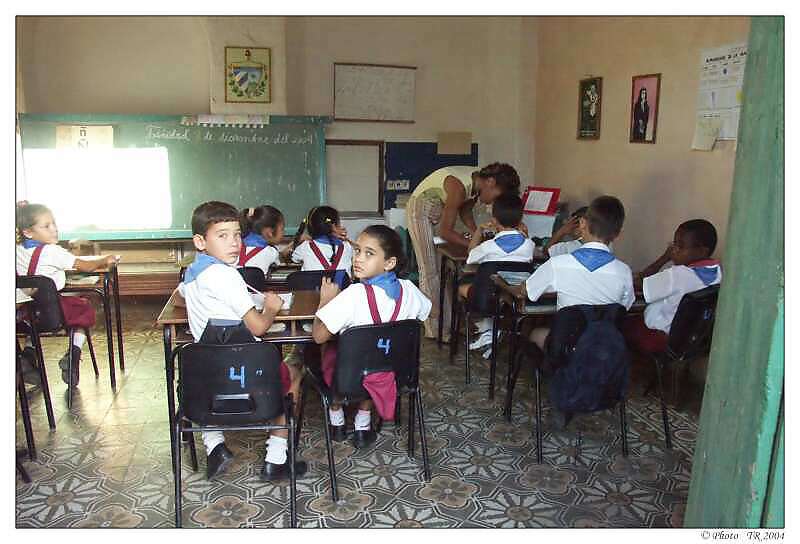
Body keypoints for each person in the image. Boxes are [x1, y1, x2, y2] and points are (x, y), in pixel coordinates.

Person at [174, 201, 307, 481]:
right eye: (222, 236)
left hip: (207, 378)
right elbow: (258, 327)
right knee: (293, 373)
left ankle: (215, 446)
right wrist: (270, 307)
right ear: (200, 241)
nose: (234, 242)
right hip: (248, 377)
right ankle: (276, 460)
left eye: (236, 234)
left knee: (200, 384)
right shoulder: (226, 275)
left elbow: (179, 297)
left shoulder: (192, 273)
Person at [312, 225, 432, 448]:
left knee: (331, 350)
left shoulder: (354, 295)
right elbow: (426, 312)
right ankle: (362, 425)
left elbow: (318, 336)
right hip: (395, 375)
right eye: (357, 250)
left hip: (348, 378)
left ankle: (337, 422)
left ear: (390, 263)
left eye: (369, 253)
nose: (358, 258)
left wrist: (325, 301)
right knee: (376, 358)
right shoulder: (409, 290)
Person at [406, 162, 521, 340]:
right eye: (498, 196)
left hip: (438, 210)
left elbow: (465, 213)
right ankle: (436, 329)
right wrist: (473, 244)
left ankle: (451, 324)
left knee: (446, 271)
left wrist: (477, 234)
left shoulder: (476, 186)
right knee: (429, 271)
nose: (495, 202)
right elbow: (445, 232)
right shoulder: (458, 187)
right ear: (490, 182)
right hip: (420, 210)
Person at [523, 195, 634, 370]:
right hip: (604, 350)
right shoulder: (624, 271)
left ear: (582, 223)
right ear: (618, 234)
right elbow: (624, 306)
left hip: (566, 347)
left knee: (535, 333)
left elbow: (528, 292)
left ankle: (549, 374)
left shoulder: (558, 264)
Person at [16, 202, 119, 386]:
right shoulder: (52, 251)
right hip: (52, 314)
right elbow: (86, 266)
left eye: (54, 223)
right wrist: (106, 259)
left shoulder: (16, 251)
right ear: (28, 232)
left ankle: (28, 356)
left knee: (36, 319)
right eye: (46, 226)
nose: (54, 229)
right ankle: (73, 354)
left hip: (25, 315)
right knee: (84, 309)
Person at [625, 219, 721, 353]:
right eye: (674, 244)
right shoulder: (718, 272)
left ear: (701, 251)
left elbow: (642, 281)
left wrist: (665, 258)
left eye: (680, 246)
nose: (674, 250)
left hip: (661, 333)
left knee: (622, 323)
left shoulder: (677, 275)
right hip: (692, 337)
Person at [458, 193, 534, 354]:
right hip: (514, 299)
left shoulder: (489, 246)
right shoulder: (529, 245)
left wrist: (479, 231)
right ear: (521, 219)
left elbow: (470, 256)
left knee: (461, 285)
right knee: (493, 287)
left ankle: (487, 329)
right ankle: (490, 330)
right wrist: (525, 234)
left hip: (486, 300)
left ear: (494, 219)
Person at [291, 205, 352, 274]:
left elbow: (293, 258)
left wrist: (299, 239)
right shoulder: (347, 246)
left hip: (313, 282)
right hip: (341, 281)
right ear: (335, 225)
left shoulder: (305, 247)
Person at [238, 205, 285, 276]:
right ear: (269, 232)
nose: (283, 233)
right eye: (282, 229)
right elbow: (280, 263)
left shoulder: (235, 246)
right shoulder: (272, 252)